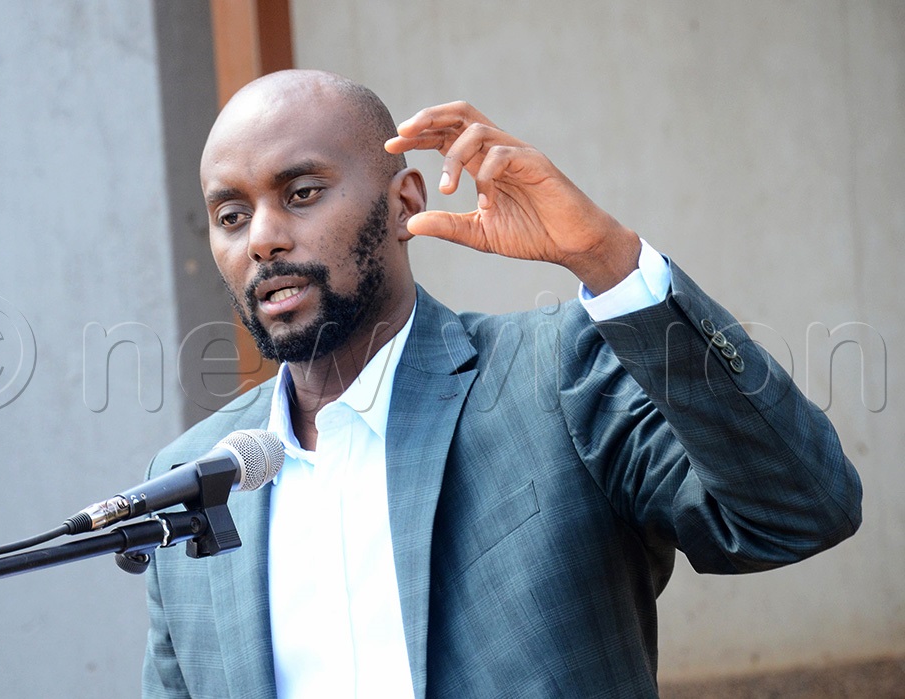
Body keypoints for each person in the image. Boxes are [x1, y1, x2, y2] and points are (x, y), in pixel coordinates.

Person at [141, 69, 862, 698]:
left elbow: (798, 510)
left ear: (403, 203)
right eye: (231, 215)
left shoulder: (557, 377)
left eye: (301, 192)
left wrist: (607, 261)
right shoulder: (193, 481)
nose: (262, 237)